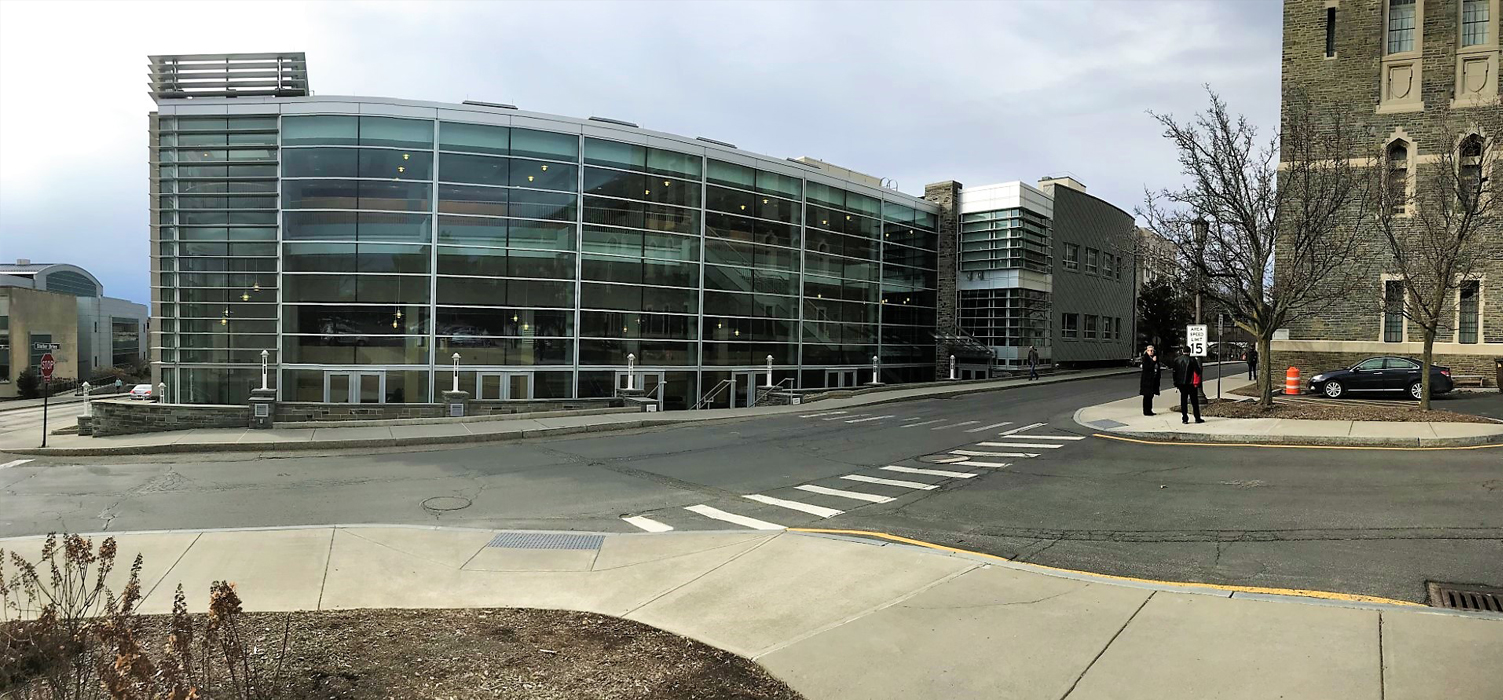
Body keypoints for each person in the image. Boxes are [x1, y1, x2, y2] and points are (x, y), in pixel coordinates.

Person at [1173, 346, 1205, 424]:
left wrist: (1176, 383)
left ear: (1182, 351)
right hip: (1191, 384)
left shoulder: (1177, 360)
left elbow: (1174, 372)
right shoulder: (1192, 360)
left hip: (1181, 384)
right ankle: (1197, 418)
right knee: (1194, 401)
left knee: (1183, 401)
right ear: (1189, 352)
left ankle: (1184, 418)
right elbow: (1198, 371)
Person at [1139, 345, 1160, 416]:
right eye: (1150, 350)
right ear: (1147, 351)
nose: (1151, 352)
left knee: (1151, 395)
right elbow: (1147, 368)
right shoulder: (1145, 358)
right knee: (1147, 396)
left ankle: (1150, 410)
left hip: (1153, 380)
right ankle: (1146, 411)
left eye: (1152, 350)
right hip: (1147, 380)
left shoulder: (1155, 357)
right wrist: (1153, 362)